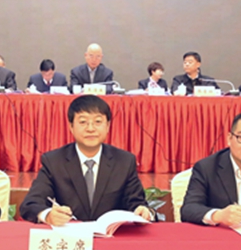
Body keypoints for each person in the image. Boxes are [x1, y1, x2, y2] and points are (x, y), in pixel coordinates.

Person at [20, 95, 153, 225]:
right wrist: (48, 215)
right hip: (70, 235)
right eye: (83, 122)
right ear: (71, 127)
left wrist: (143, 211)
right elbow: (31, 204)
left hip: (113, 236)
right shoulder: (54, 161)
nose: (90, 129)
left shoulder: (124, 161)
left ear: (108, 126)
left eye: (98, 122)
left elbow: (137, 203)